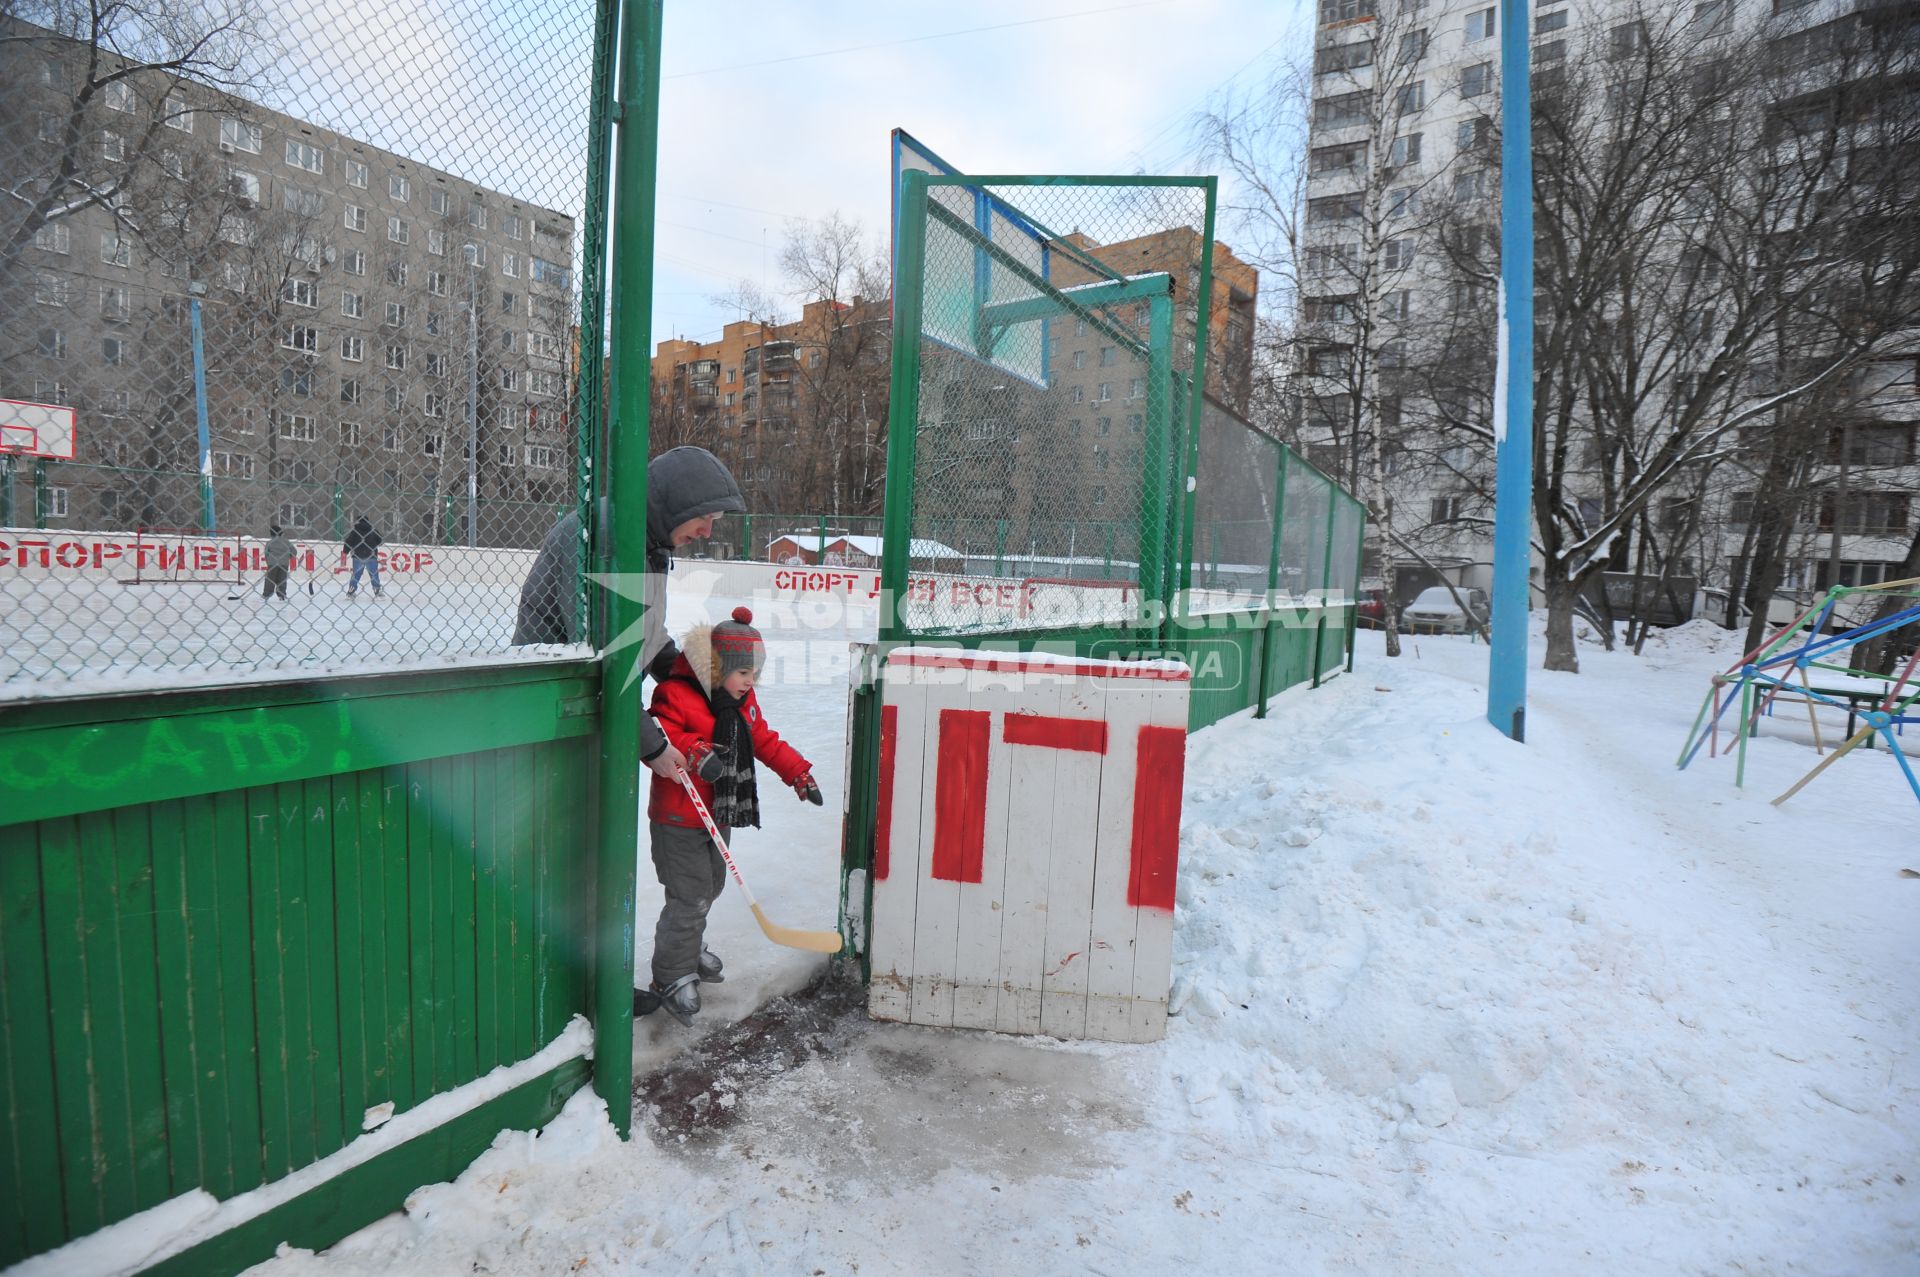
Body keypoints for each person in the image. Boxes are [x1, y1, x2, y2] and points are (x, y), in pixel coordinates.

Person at [512, 445, 746, 783]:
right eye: (705, 518)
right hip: (549, 715)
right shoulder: (609, 538)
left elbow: (648, 636)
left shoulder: (649, 541)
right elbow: (609, 660)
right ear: (677, 503)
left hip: (585, 711)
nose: (707, 532)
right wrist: (652, 748)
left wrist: (701, 683)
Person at [635, 606, 823, 1025]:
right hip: (677, 818)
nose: (750, 682)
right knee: (690, 895)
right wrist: (696, 751)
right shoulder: (677, 694)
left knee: (711, 886)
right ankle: (671, 975)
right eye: (743, 673)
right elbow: (662, 732)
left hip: (715, 812)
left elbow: (765, 740)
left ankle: (686, 946)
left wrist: (799, 774)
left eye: (754, 674)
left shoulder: (742, 703)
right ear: (717, 667)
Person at [342, 516, 383, 598]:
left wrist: (345, 552)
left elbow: (348, 542)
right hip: (371, 555)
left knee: (356, 574)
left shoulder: (355, 531)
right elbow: (380, 540)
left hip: (358, 555)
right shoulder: (373, 530)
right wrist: (373, 545)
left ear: (358, 521)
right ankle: (377, 591)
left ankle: (351, 590)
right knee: (374, 574)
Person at [261, 525, 294, 601]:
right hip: (284, 564)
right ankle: (281, 595)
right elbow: (294, 552)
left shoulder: (269, 542)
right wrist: (287, 558)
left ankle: (266, 594)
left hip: (272, 563)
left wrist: (269, 562)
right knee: (282, 579)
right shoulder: (287, 542)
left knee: (270, 579)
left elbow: (266, 553)